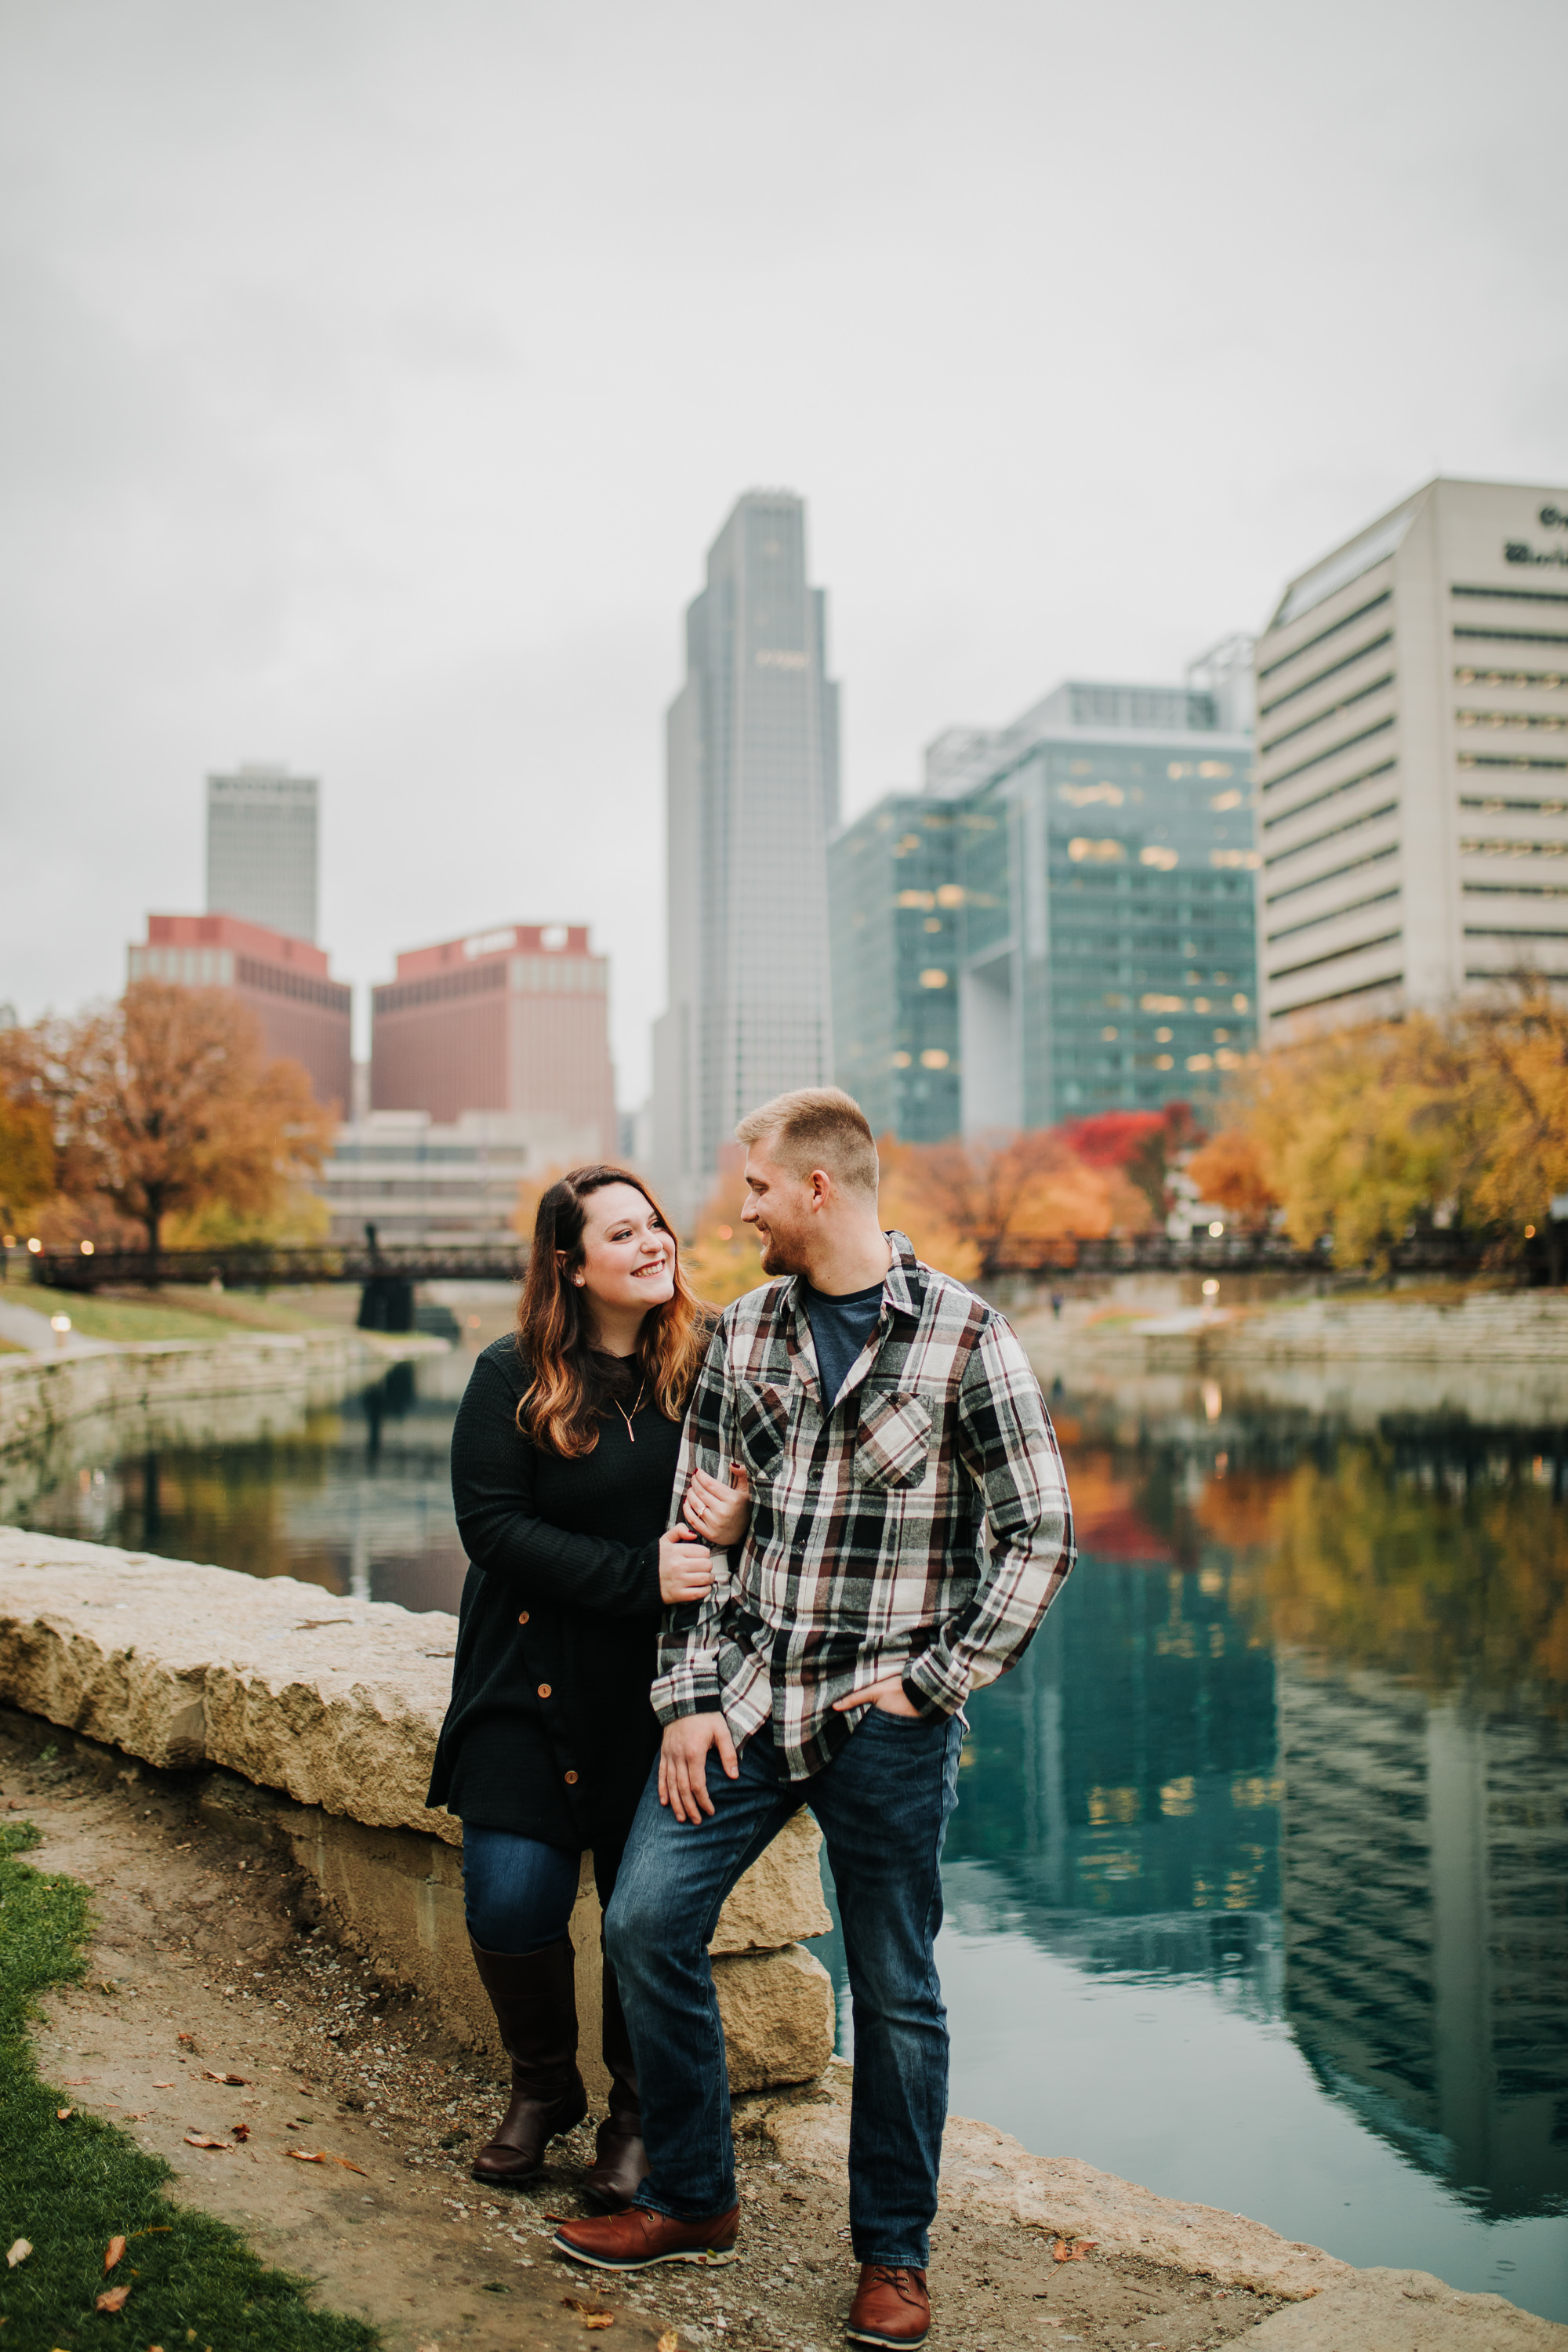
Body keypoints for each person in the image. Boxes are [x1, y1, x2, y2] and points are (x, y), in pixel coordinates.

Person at [553, 1091, 1075, 2349]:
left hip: (890, 1721)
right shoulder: (741, 1338)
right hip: (747, 1700)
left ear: (819, 1191)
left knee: (897, 1991)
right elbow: (695, 1534)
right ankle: (693, 2197)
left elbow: (1040, 1534)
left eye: (756, 1188)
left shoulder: (966, 1336)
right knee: (642, 1923)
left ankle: (893, 2256)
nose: (738, 1210)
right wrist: (684, 1701)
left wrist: (935, 1682)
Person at [426, 1164, 750, 2203]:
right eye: (624, 1232)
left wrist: (738, 1529)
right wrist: (635, 1574)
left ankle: (635, 2117)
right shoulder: (509, 1373)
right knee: (511, 1903)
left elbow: (755, 1520)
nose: (655, 1241)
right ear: (569, 1264)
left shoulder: (702, 1375)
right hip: (528, 1681)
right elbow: (493, 1531)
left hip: (661, 1695)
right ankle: (541, 2090)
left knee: (636, 1917)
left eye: (655, 1223)